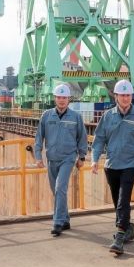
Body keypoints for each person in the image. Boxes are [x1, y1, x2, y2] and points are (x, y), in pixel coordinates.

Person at [91, 79, 134, 255]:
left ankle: (119, 237)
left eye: (128, 95)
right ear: (116, 96)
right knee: (118, 200)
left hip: (130, 164)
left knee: (123, 200)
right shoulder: (107, 116)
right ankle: (128, 227)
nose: (125, 98)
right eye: (122, 95)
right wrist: (95, 159)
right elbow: (99, 139)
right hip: (111, 165)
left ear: (131, 96)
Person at [34, 83, 88, 237]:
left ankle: (57, 222)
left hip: (68, 158)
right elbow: (39, 137)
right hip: (52, 159)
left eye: (64, 97)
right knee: (56, 191)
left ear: (69, 99)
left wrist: (82, 157)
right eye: (59, 97)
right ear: (55, 98)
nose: (62, 100)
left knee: (60, 188)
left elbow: (82, 138)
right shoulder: (46, 116)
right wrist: (38, 156)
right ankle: (65, 220)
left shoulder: (75, 117)